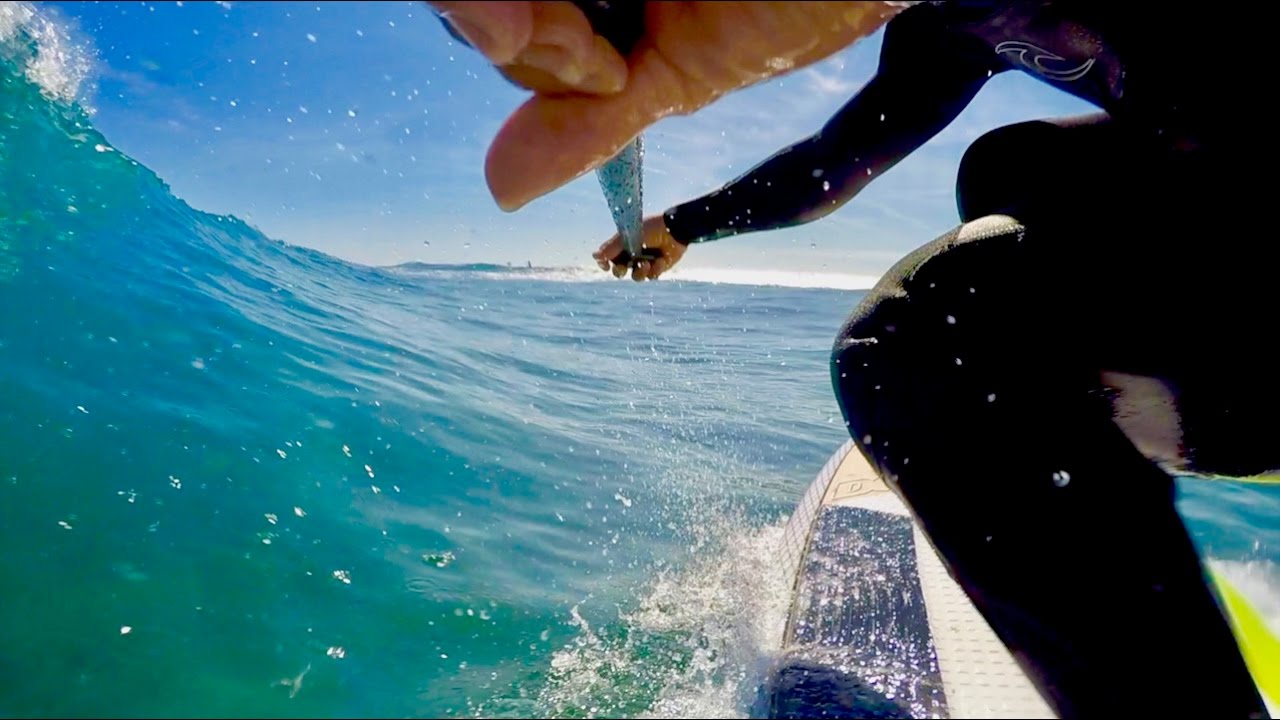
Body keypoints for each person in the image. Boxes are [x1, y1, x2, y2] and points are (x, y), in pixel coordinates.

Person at [432, 2, 1274, 717]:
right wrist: (686, 223)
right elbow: (835, 164)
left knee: (924, 338)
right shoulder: (945, 24)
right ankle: (1126, 467)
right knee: (1012, 169)